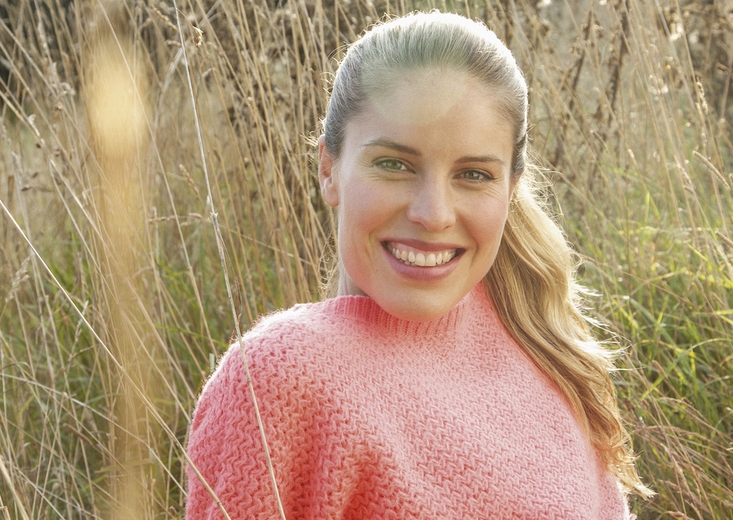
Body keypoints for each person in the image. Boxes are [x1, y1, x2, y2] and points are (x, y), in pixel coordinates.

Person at [186, 11, 651, 519]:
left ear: (510, 192)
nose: (433, 214)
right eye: (394, 164)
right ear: (328, 171)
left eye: (473, 174)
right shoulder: (277, 379)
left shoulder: (545, 354)